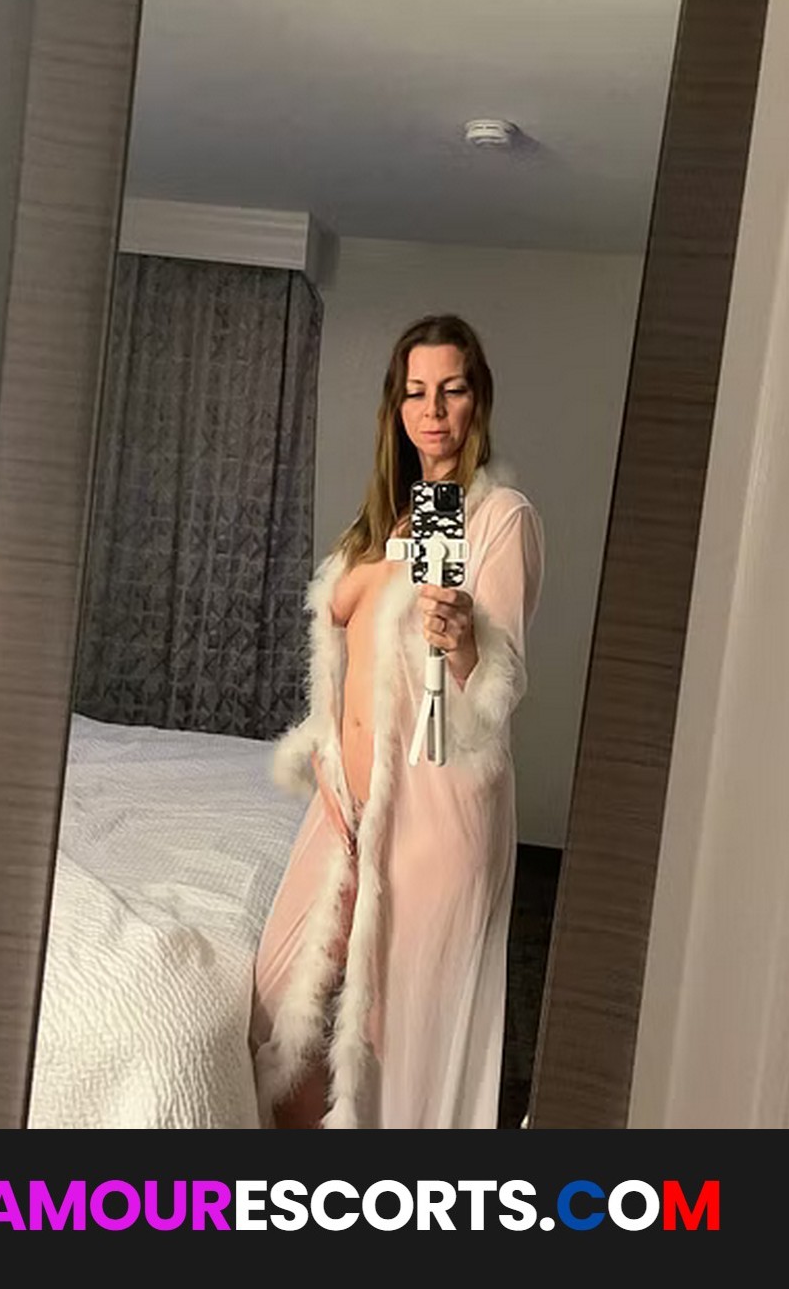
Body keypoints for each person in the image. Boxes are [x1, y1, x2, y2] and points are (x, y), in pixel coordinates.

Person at [249, 313, 544, 1129]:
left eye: (451, 390)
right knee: (279, 1008)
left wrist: (464, 639)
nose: (433, 411)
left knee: (399, 1040)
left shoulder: (501, 517)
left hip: (435, 811)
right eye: (416, 392)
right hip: (345, 805)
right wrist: (327, 755)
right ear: (397, 407)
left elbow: (500, 685)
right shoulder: (386, 521)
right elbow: (346, 662)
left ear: (477, 400)